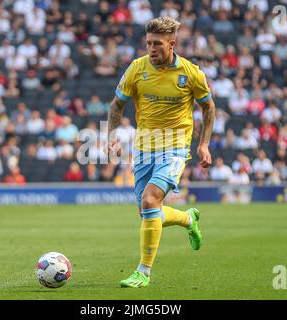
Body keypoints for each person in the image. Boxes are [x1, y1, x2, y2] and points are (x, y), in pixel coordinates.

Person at [105, 17, 215, 288]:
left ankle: (143, 272)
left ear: (172, 44)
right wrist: (111, 135)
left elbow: (208, 108)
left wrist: (203, 144)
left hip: (176, 146)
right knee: (147, 213)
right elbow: (116, 105)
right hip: (144, 147)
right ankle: (188, 218)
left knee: (150, 200)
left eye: (157, 44)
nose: (151, 49)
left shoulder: (190, 73)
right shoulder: (136, 69)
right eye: (148, 43)